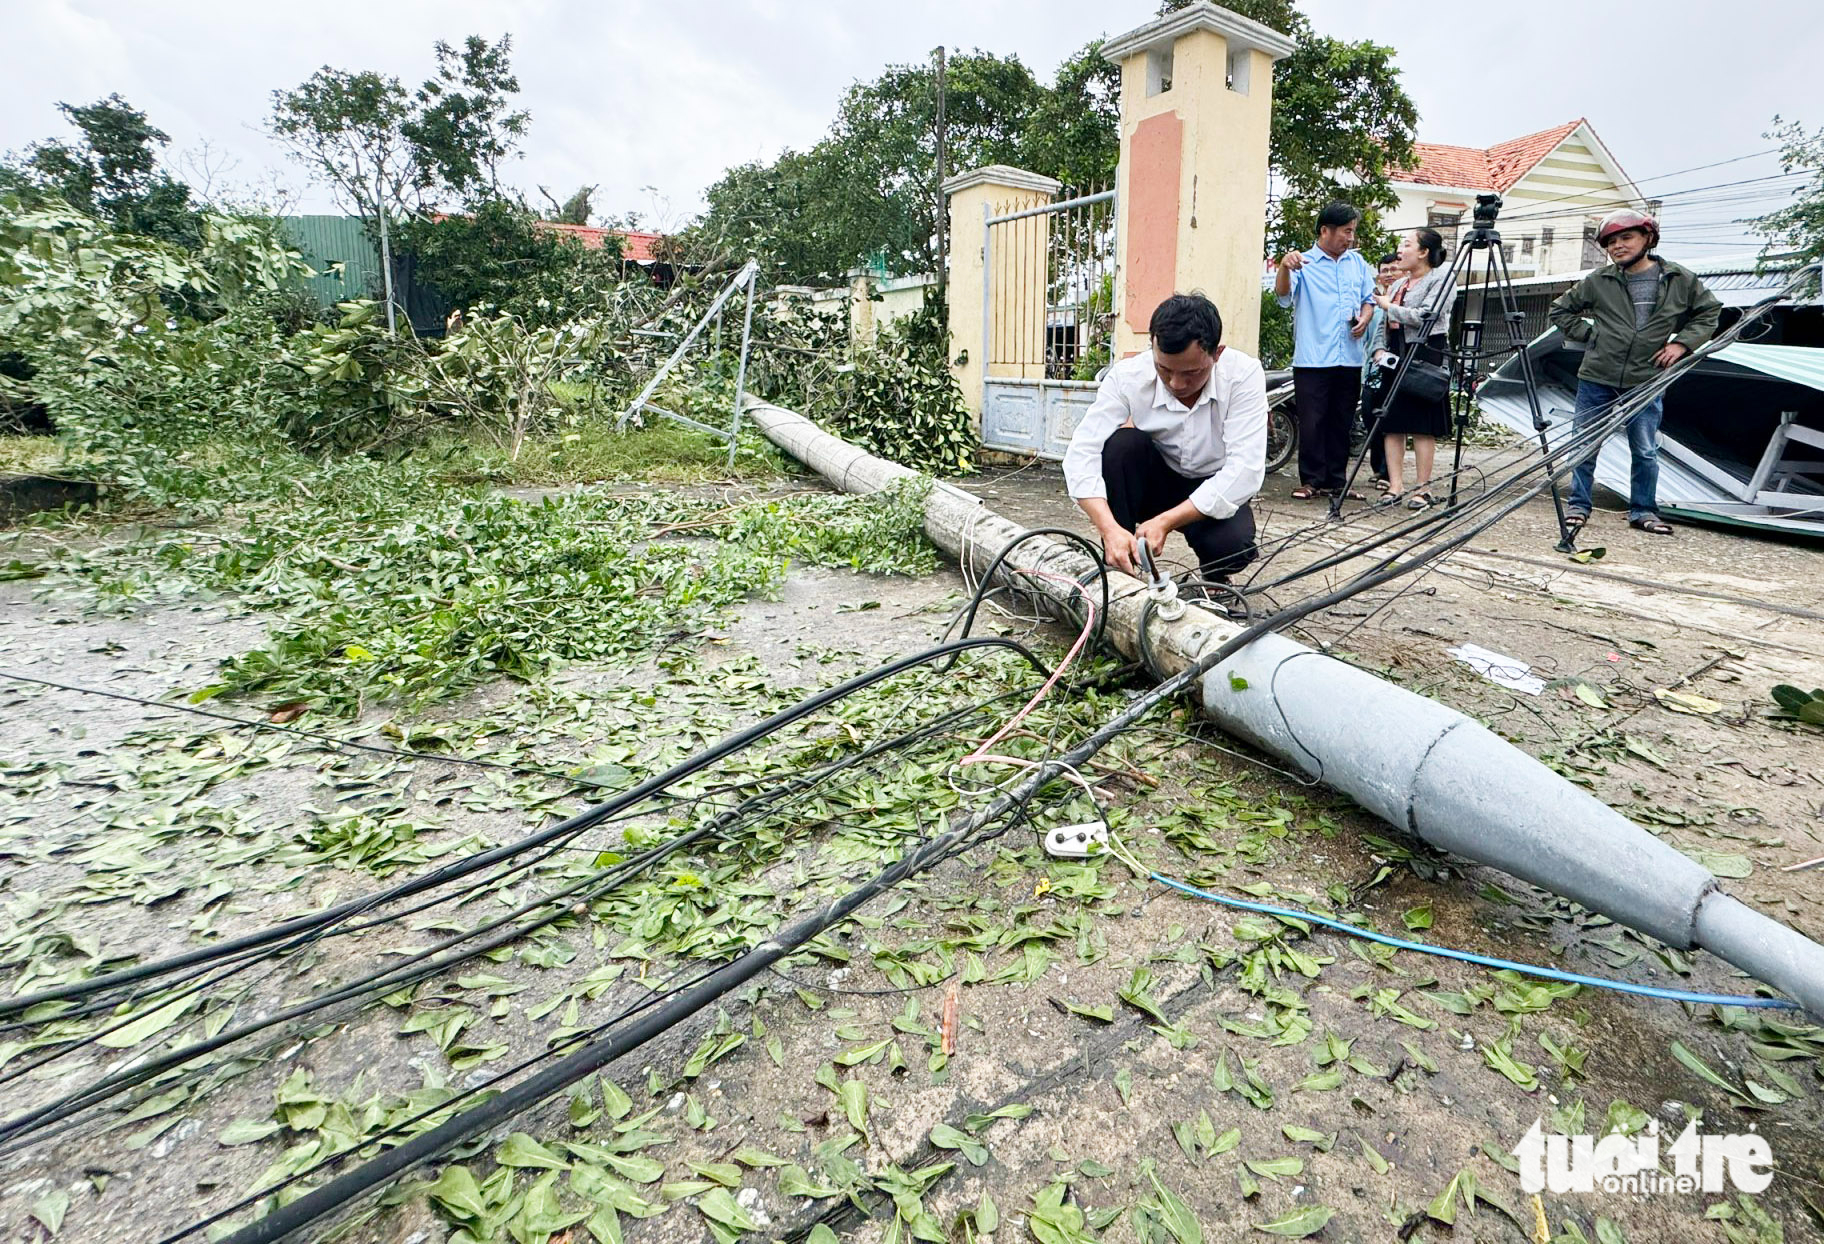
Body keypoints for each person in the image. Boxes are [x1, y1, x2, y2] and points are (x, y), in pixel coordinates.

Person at [1063, 293, 1267, 582]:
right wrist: (1108, 528)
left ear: (1216, 354)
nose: (1176, 383)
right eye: (1164, 369)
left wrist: (1166, 522)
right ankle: (1120, 557)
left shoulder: (1242, 376)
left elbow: (1245, 471)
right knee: (1122, 446)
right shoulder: (1128, 377)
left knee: (1232, 547)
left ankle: (1215, 577)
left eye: (1192, 373)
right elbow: (1082, 452)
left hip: (1212, 482)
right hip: (1157, 481)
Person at [1549, 208, 1721, 537]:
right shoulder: (1598, 280)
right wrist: (1589, 335)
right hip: (1598, 375)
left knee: (1644, 448)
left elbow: (1709, 311)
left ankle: (1643, 510)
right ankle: (1578, 505)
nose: (1618, 246)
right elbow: (1560, 309)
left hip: (1647, 378)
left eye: (1626, 237)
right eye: (1611, 242)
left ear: (1648, 238)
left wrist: (1682, 344)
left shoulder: (1679, 279)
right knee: (1585, 443)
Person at [1274, 201, 1378, 501]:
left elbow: (1368, 299)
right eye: (1346, 232)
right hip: (1313, 357)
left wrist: (1365, 317)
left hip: (1349, 357)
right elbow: (1282, 295)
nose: (1350, 238)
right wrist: (1283, 265)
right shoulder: (1302, 262)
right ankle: (1311, 480)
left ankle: (1336, 480)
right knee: (1312, 420)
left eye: (1352, 232)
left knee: (1341, 420)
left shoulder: (1356, 263)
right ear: (1325, 231)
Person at [1372, 228, 1455, 508]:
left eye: (1406, 244)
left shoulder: (1441, 279)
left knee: (1422, 425)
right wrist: (1378, 349)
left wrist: (1387, 307)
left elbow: (1426, 317)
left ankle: (1423, 488)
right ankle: (1395, 486)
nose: (1400, 250)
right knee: (1392, 423)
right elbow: (1384, 325)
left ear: (1423, 252)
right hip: (1396, 355)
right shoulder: (1397, 285)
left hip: (1425, 353)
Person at [1358, 252, 1401, 489]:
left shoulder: (1402, 298)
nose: (1389, 274)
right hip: (1370, 370)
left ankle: (1388, 473)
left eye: (1394, 269)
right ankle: (1378, 468)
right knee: (1370, 418)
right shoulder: (1371, 302)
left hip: (1393, 371)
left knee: (1389, 421)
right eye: (1385, 270)